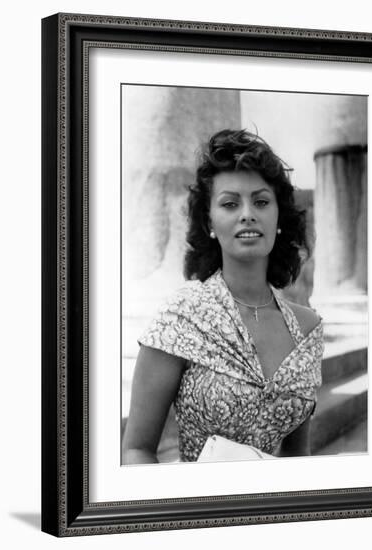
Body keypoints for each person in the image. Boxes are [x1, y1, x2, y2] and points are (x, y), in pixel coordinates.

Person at [122, 129, 323, 464]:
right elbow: (137, 449)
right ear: (210, 222)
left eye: (261, 201)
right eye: (230, 203)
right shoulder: (181, 318)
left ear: (278, 220)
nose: (247, 213)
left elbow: (297, 454)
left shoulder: (307, 329)